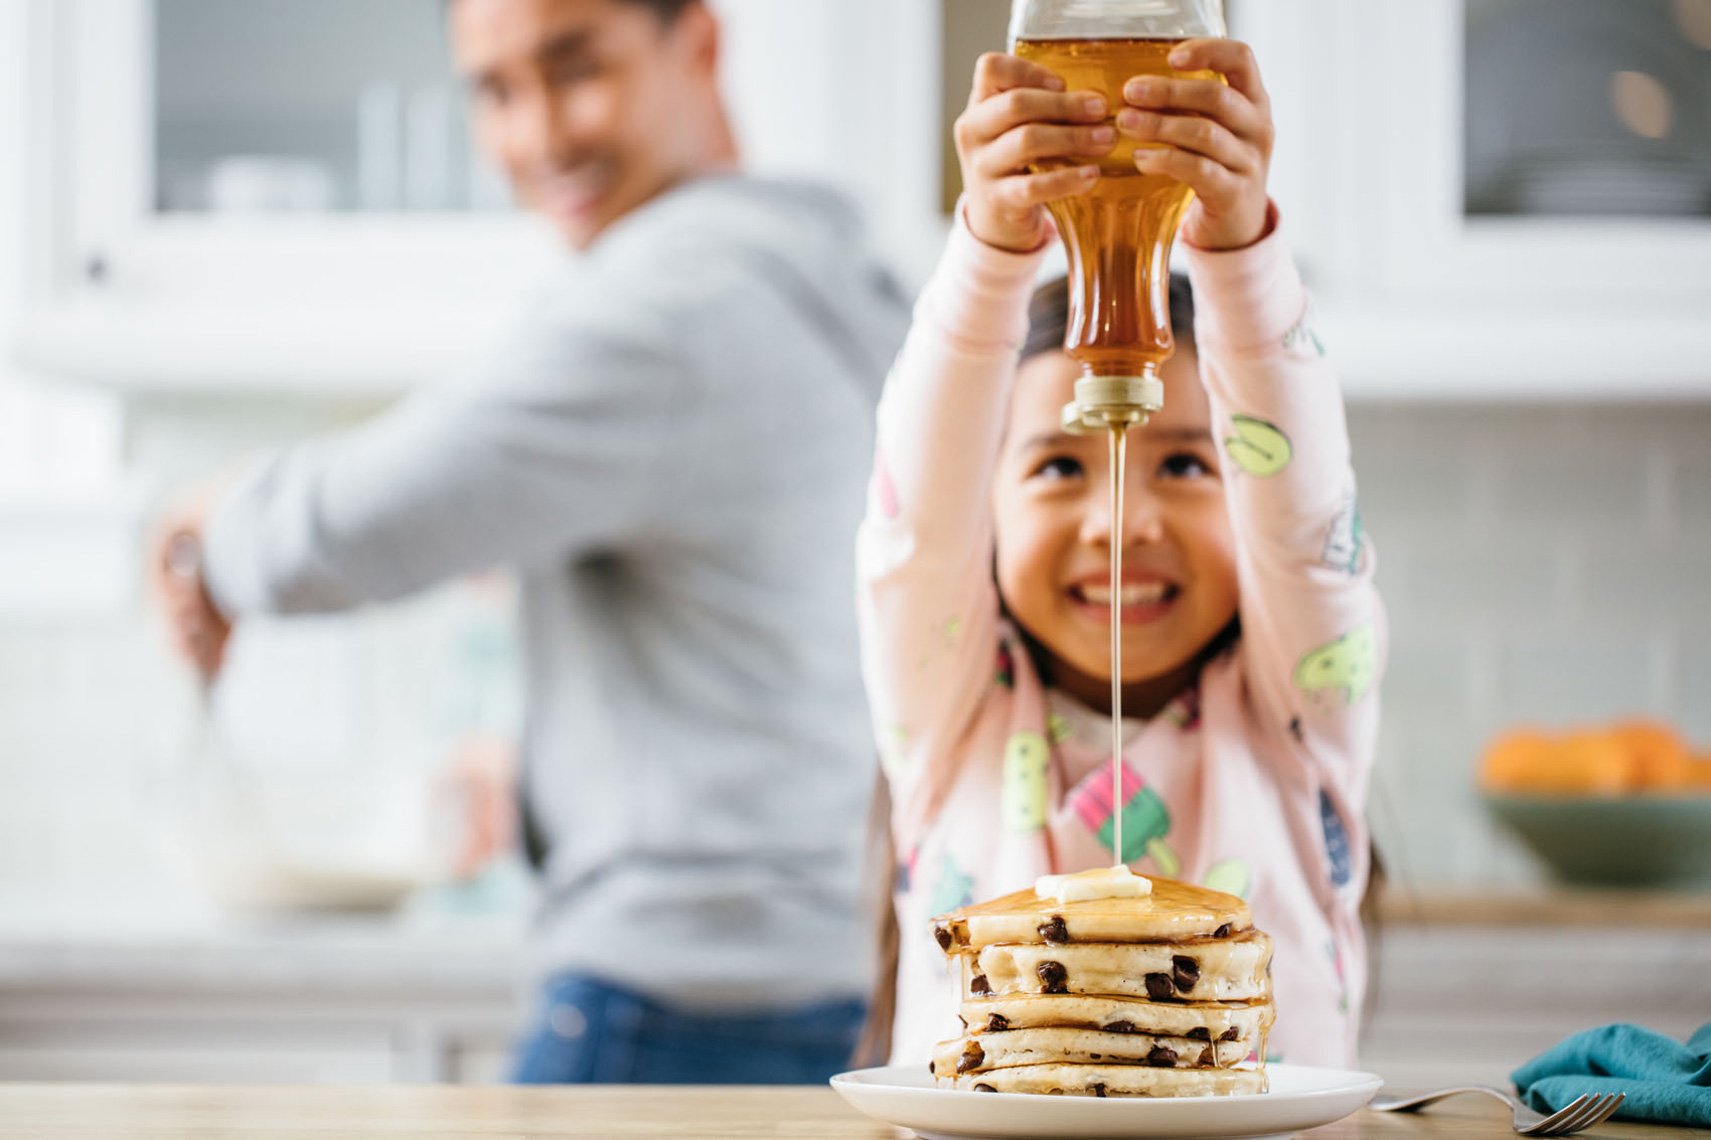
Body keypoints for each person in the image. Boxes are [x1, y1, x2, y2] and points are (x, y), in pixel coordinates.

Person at [152, 0, 910, 1084]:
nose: (539, 135)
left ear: (695, 42)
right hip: (838, 991)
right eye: (494, 91)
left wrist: (207, 524)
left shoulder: (665, 305)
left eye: (574, 67)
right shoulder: (831, 271)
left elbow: (341, 531)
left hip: (671, 1015)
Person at [855, 40, 1385, 1068]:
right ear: (987, 512)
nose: (1119, 519)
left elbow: (1304, 520)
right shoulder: (951, 712)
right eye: (1059, 467)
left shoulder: (1293, 716)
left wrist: (1237, 259)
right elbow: (915, 524)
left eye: (1188, 467)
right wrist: (989, 258)